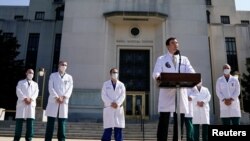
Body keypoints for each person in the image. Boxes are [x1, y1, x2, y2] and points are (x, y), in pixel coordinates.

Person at [152, 37, 195, 141]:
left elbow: (192, 72)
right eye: (173, 43)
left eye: (177, 43)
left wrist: (193, 76)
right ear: (168, 46)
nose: (176, 44)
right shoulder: (162, 59)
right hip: (167, 92)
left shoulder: (184, 59)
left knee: (179, 121)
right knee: (164, 120)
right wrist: (158, 77)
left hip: (180, 92)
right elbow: (156, 72)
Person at [45, 60, 73, 141]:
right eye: (62, 64)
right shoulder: (53, 75)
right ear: (59, 65)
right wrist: (57, 97)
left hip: (63, 102)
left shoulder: (69, 77)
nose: (64, 66)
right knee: (50, 123)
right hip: (54, 101)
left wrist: (64, 97)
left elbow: (70, 89)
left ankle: (62, 139)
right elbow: (51, 88)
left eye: (65, 65)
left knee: (62, 123)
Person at [101, 68, 126, 141]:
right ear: (110, 74)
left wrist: (117, 103)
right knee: (107, 130)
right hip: (109, 108)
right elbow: (103, 95)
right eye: (114, 72)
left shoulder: (121, 85)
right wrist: (111, 103)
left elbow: (123, 95)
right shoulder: (105, 84)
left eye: (116, 72)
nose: (115, 74)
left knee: (118, 130)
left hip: (118, 109)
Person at [14, 69, 39, 141]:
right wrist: (25, 98)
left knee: (30, 124)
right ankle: (16, 138)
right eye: (30, 72)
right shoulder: (20, 82)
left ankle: (29, 138)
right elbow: (18, 91)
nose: (31, 74)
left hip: (31, 105)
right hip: (22, 104)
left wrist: (31, 99)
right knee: (19, 124)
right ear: (26, 73)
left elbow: (36, 93)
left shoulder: (35, 84)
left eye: (32, 73)